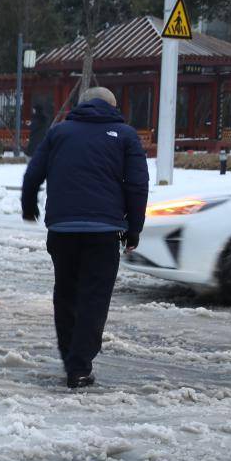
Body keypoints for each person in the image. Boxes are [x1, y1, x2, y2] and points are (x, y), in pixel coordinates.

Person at [21, 87, 148, 389]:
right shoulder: (126, 135)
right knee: (94, 298)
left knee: (65, 294)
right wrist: (135, 227)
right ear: (113, 107)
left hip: (62, 230)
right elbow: (137, 184)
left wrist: (29, 207)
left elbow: (33, 173)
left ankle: (70, 359)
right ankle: (79, 366)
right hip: (104, 232)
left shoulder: (58, 133)